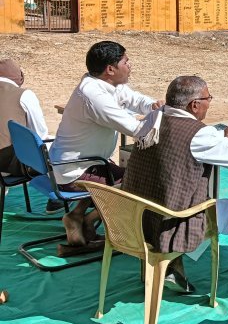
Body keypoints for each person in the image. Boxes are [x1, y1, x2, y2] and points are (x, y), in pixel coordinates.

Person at [122, 75, 228, 293]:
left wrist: (222, 137)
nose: (209, 103)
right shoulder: (200, 134)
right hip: (169, 225)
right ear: (195, 105)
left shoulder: (153, 117)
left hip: (133, 220)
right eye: (208, 98)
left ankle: (173, 264)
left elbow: (182, 142)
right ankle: (173, 258)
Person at [50, 41, 162, 248]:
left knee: (114, 171)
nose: (130, 66)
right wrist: (164, 116)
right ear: (110, 69)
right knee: (141, 182)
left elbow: (136, 99)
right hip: (75, 171)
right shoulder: (95, 96)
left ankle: (75, 216)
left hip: (80, 163)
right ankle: (89, 220)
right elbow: (139, 131)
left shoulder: (105, 83)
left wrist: (153, 106)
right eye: (126, 62)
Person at [0, 59, 50, 188]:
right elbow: (40, 135)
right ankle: (57, 197)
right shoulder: (24, 95)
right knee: (59, 148)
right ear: (19, 76)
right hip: (9, 166)